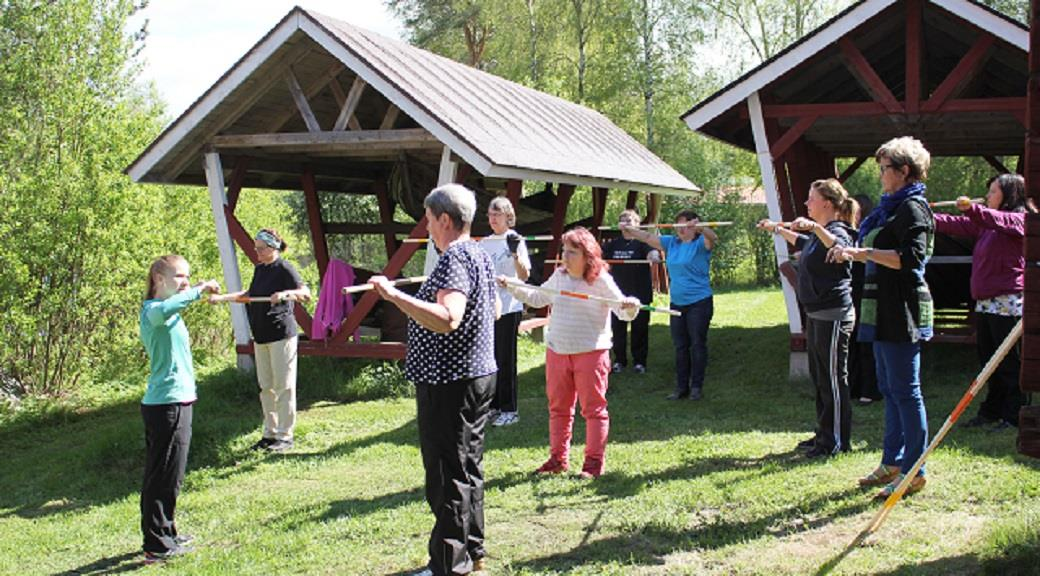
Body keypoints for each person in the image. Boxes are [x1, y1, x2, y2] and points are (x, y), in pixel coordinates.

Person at [369, 184, 497, 576]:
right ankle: (472, 552)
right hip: (476, 376)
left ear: (445, 219)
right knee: (467, 468)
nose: (426, 228)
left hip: (450, 383)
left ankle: (448, 564)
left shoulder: (455, 257)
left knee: (447, 474)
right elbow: (489, 311)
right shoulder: (478, 253)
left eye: (428, 219)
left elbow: (447, 317)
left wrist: (394, 297)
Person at [828, 136, 934, 499]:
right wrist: (856, 253)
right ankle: (892, 460)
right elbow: (873, 251)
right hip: (880, 308)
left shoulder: (914, 209)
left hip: (902, 308)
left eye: (885, 169)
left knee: (907, 392)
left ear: (904, 171)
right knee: (889, 389)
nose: (880, 176)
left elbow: (911, 258)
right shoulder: (889, 208)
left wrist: (865, 252)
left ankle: (914, 470)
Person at [501, 227, 640, 479]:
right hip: (557, 350)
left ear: (588, 255)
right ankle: (558, 460)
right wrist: (512, 286)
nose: (565, 257)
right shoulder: (560, 275)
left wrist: (631, 306)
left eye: (571, 252)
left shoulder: (600, 280)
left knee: (593, 410)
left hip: (591, 352)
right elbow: (538, 297)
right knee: (558, 408)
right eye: (564, 251)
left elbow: (622, 311)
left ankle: (593, 465)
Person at [758, 179, 858, 459]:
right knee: (819, 377)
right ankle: (824, 435)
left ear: (827, 202)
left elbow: (840, 247)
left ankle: (837, 441)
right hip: (816, 314)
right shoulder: (818, 234)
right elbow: (803, 241)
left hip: (834, 315)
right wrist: (776, 228)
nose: (806, 203)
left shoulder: (838, 229)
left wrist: (814, 227)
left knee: (833, 379)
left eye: (811, 199)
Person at [934, 174, 1034, 431]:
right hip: (986, 302)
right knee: (989, 361)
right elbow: (957, 224)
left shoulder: (1021, 219)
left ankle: (1014, 415)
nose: (988, 196)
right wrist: (925, 217)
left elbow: (998, 219)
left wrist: (973, 209)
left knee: (1010, 362)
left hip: (1008, 302)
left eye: (993, 192)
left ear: (1009, 195)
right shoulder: (986, 223)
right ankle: (992, 411)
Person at [138, 255, 220, 562]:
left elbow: (176, 306)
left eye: (187, 277)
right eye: (178, 277)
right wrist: (199, 289)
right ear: (158, 278)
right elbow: (168, 307)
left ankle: (166, 532)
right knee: (162, 476)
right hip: (165, 404)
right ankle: (156, 545)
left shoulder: (169, 312)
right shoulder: (153, 311)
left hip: (178, 400)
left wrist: (193, 291)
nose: (184, 282)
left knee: (172, 476)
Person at [210, 229, 310, 452]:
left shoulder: (284, 268)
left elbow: (305, 292)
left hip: (281, 335)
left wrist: (285, 294)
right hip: (261, 335)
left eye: (261, 248)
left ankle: (285, 436)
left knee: (283, 386)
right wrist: (222, 298)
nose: (257, 252)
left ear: (273, 248)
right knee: (266, 387)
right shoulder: (260, 269)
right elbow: (250, 294)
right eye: (255, 248)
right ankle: (270, 433)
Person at [621, 210, 717, 400]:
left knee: (697, 344)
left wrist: (702, 227)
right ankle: (681, 387)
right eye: (678, 224)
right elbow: (648, 237)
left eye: (685, 225)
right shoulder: (671, 243)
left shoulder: (700, 244)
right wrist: (630, 229)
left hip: (699, 303)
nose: (680, 229)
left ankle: (696, 387)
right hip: (677, 304)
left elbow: (713, 237)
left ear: (692, 227)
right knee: (680, 346)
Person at [479, 196, 531, 427]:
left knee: (505, 359)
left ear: (508, 216)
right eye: (490, 215)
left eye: (497, 215)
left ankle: (510, 409)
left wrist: (514, 255)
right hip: (488, 308)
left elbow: (524, 276)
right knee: (489, 359)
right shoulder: (484, 243)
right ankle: (493, 406)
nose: (492, 219)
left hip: (510, 306)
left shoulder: (515, 239)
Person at [603, 209, 661, 375]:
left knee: (639, 330)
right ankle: (619, 361)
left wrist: (653, 256)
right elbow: (598, 255)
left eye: (629, 220)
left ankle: (639, 362)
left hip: (640, 293)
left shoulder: (643, 242)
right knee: (618, 330)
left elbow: (653, 252)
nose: (625, 223)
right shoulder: (614, 244)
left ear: (637, 224)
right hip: (618, 295)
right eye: (623, 220)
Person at [849, 193, 881, 405]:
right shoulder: (845, 232)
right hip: (850, 292)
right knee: (851, 341)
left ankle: (870, 389)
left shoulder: (870, 233)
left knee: (867, 341)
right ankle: (853, 387)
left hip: (868, 292)